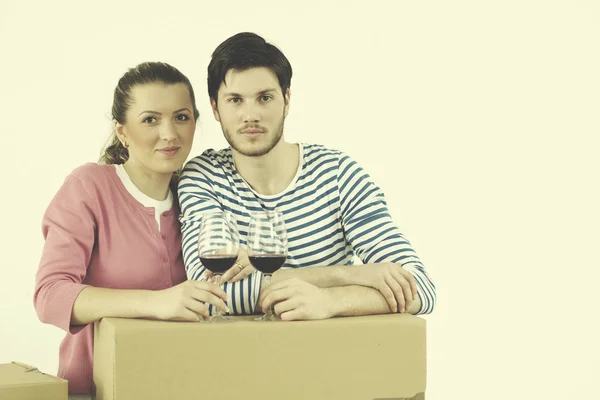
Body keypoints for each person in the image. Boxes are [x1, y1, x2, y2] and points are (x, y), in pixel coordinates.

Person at [178, 33, 436, 320]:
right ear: (215, 108)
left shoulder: (337, 175)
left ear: (286, 100)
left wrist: (330, 301)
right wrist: (350, 275)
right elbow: (212, 294)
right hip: (242, 360)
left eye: (264, 98)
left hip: (334, 359)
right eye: (235, 100)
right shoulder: (203, 177)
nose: (250, 115)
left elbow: (419, 287)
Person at [33, 62, 229, 395]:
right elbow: (50, 296)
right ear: (122, 131)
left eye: (181, 117)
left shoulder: (199, 196)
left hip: (182, 385)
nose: (169, 134)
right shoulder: (89, 186)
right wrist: (157, 303)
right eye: (150, 119)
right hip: (95, 389)